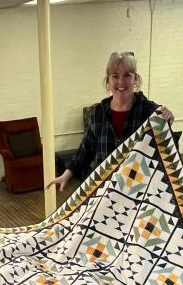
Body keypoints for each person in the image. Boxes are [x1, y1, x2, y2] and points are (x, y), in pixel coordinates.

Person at [48, 51, 175, 191]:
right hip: (103, 189)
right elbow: (86, 149)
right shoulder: (98, 113)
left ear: (135, 80)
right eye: (115, 76)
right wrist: (66, 174)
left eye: (127, 75)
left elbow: (163, 151)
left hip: (136, 190)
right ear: (108, 81)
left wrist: (167, 123)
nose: (121, 81)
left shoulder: (149, 111)